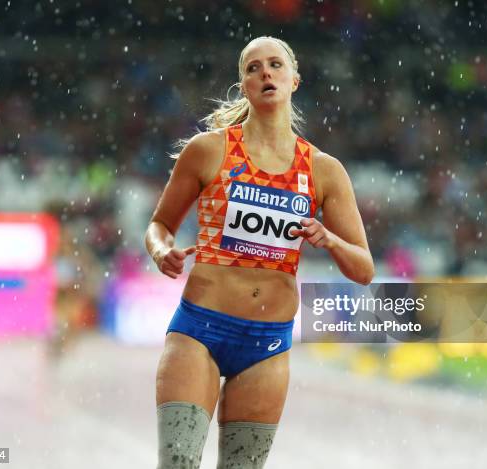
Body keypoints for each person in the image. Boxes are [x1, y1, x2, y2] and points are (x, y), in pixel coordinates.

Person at [145, 36, 374, 469]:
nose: (265, 73)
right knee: (177, 463)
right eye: (253, 68)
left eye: (275, 65)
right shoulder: (209, 150)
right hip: (199, 332)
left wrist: (330, 239)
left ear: (294, 80)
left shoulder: (323, 170)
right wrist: (162, 251)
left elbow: (363, 269)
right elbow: (159, 225)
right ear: (243, 85)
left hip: (267, 346)